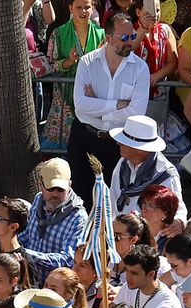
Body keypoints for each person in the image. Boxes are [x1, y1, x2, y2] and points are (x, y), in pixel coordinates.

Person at [68, 10, 146, 203]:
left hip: (118, 144)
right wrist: (118, 105)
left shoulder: (140, 68)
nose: (130, 42)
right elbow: (79, 105)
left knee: (113, 201)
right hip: (84, 138)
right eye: (124, 37)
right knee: (79, 199)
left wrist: (97, 105)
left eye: (133, 36)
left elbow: (136, 113)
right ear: (108, 38)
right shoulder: (87, 63)